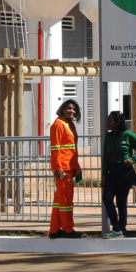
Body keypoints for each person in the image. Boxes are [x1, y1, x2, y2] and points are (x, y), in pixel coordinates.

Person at [102, 111, 136, 238]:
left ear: (117, 122)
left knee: (121, 201)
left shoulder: (127, 135)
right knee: (107, 197)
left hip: (125, 171)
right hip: (112, 171)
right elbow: (105, 157)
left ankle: (121, 229)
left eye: (110, 120)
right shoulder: (108, 136)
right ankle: (117, 227)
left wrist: (132, 159)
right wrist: (104, 174)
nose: (108, 123)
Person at [48, 99, 83, 239]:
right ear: (63, 109)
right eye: (69, 108)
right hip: (63, 170)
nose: (72, 111)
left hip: (69, 167)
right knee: (66, 201)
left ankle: (54, 229)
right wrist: (58, 169)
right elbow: (55, 149)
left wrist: (77, 169)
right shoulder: (58, 125)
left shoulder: (70, 125)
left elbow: (72, 150)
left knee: (59, 201)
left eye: (74, 109)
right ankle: (68, 229)